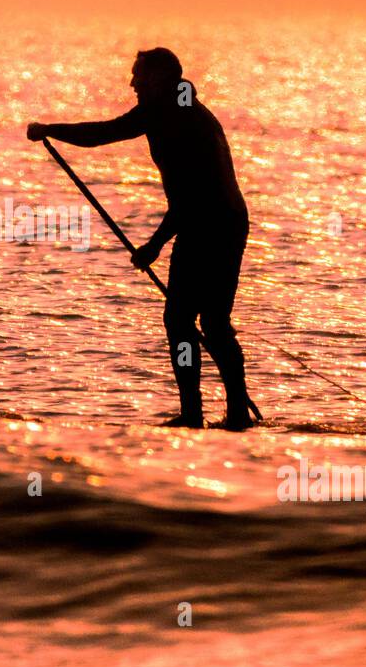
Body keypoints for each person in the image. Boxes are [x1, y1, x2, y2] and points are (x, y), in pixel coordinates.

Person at [27, 47, 256, 429]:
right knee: (211, 322)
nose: (133, 84)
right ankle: (232, 415)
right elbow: (106, 134)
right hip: (225, 221)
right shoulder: (174, 107)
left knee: (182, 320)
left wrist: (155, 244)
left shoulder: (177, 116)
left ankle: (197, 415)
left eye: (140, 77)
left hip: (211, 224)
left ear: (163, 79)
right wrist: (54, 131)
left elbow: (190, 196)